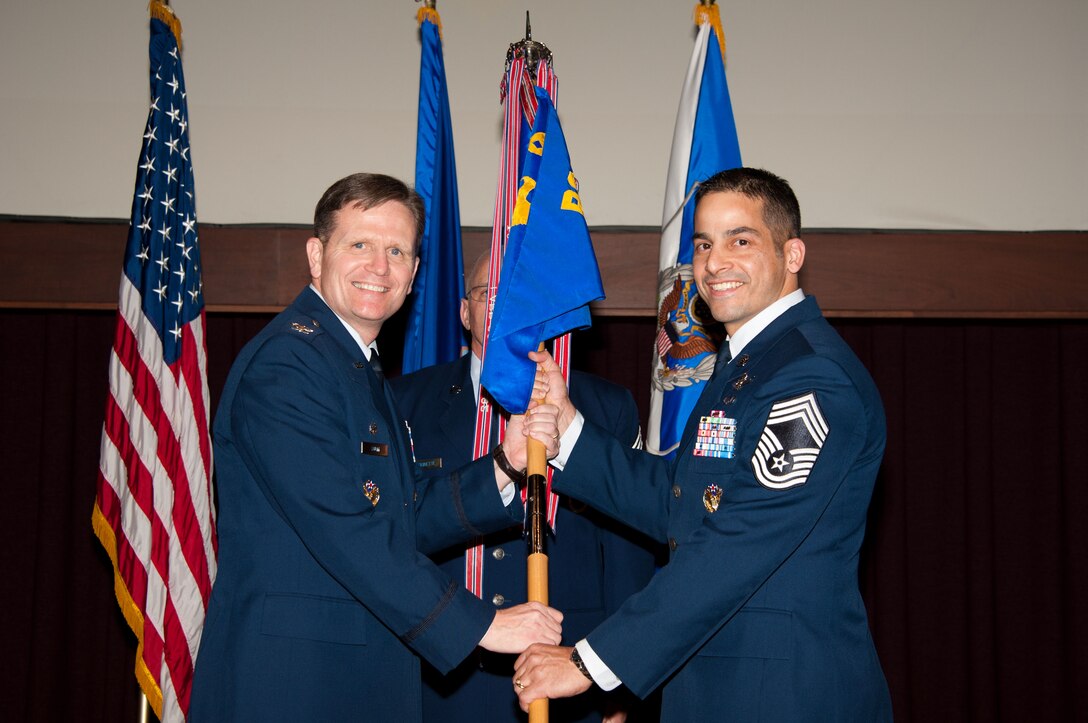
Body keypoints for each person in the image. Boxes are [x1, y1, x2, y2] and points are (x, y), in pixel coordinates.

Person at [513, 167, 893, 721]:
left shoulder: (812, 376)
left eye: (741, 240)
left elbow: (740, 541)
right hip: (719, 685)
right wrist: (569, 428)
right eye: (703, 244)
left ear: (792, 255)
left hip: (782, 696)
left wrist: (589, 663)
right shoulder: (746, 364)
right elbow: (685, 502)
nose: (715, 264)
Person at [189, 173, 564, 722]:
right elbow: (345, 528)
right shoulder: (288, 365)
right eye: (359, 244)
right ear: (317, 255)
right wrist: (482, 625)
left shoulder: (356, 368)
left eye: (397, 251)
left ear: (414, 274)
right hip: (293, 683)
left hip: (352, 677)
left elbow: (402, 515)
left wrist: (505, 464)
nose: (379, 267)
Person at [391, 253, 661, 723]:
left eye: (519, 294)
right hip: (439, 684)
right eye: (488, 294)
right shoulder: (403, 403)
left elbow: (628, 556)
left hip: (570, 683)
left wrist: (620, 684)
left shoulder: (603, 406)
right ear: (464, 311)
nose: (505, 306)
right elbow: (391, 543)